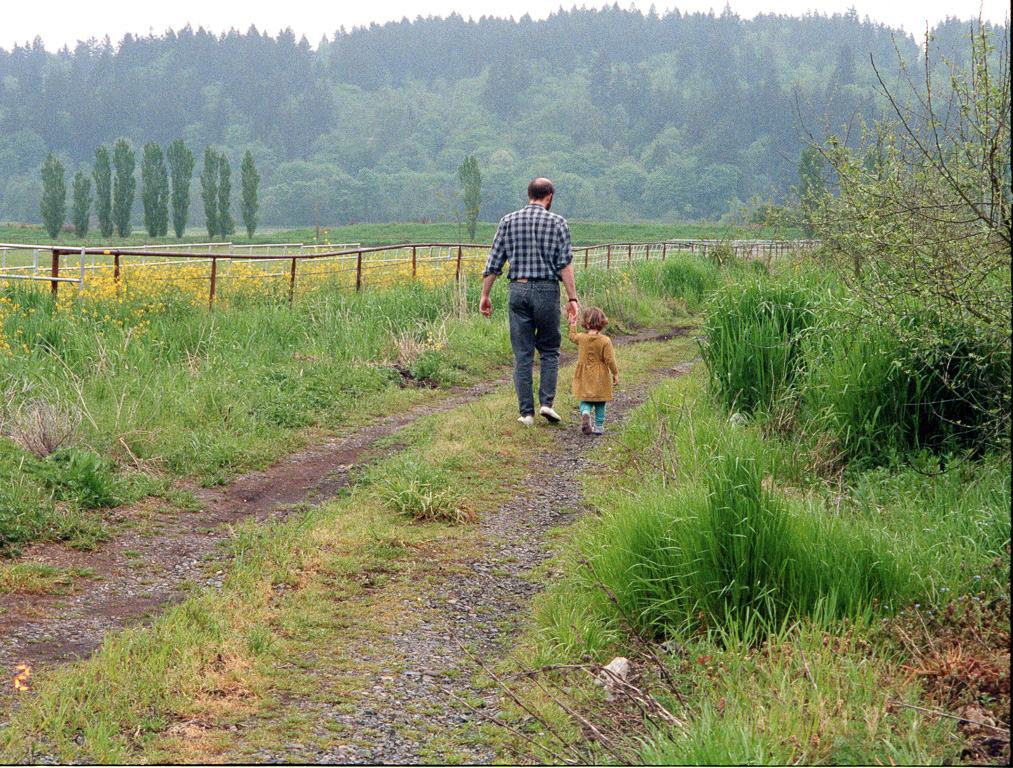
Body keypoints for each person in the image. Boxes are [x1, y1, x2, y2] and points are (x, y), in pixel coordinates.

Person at [480, 178, 580, 425]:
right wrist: (572, 298)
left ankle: (526, 413)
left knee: (522, 353)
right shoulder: (558, 223)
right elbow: (564, 264)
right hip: (547, 289)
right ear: (549, 196)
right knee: (548, 349)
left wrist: (485, 295)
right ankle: (546, 403)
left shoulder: (508, 221)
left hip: (518, 289)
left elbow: (494, 263)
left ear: (529, 195)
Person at [569, 306, 619, 435]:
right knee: (600, 401)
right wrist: (615, 373)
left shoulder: (581, 338)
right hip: (600, 375)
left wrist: (573, 324)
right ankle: (598, 426)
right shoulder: (605, 341)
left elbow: (572, 336)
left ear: (586, 322)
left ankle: (585, 412)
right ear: (602, 322)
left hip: (584, 374)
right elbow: (610, 360)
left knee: (585, 399)